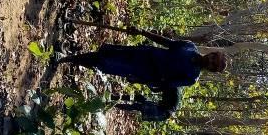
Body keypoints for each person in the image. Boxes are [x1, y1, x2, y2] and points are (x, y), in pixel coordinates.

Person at [55, 27, 228, 92]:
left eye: (214, 65)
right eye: (214, 58)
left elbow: (166, 84)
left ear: (211, 70)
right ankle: (70, 58)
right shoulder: (189, 47)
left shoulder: (191, 77)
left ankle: (67, 59)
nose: (211, 61)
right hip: (143, 53)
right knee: (107, 53)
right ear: (212, 53)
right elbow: (167, 42)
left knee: (104, 63)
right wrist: (143, 33)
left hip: (142, 70)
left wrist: (141, 80)